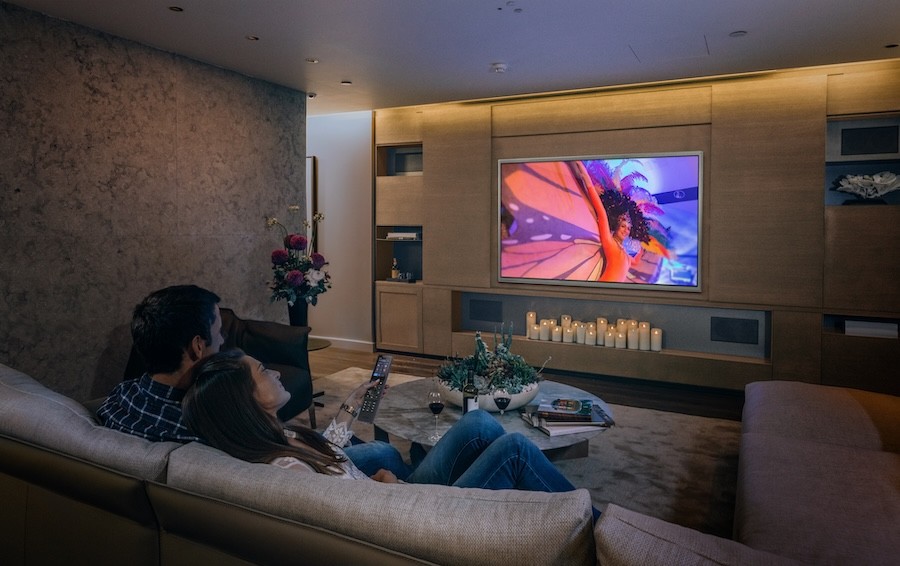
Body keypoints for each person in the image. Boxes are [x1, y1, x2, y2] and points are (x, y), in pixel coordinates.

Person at [183, 349, 600, 520]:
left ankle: (488, 495)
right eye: (262, 372)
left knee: (477, 423)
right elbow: (358, 515)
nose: (274, 371)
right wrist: (387, 486)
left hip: (394, 492)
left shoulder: (275, 440)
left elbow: (328, 455)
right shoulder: (287, 469)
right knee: (514, 450)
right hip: (411, 513)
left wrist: (349, 407)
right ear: (246, 401)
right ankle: (595, 529)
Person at [96, 285, 408, 477]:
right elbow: (295, 457)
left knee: (380, 450)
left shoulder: (119, 398)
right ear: (196, 347)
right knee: (384, 453)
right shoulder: (214, 420)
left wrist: (348, 409)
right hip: (319, 474)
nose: (223, 342)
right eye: (219, 334)